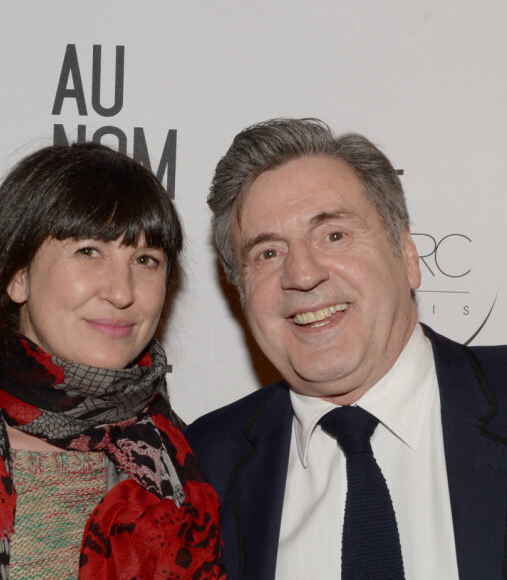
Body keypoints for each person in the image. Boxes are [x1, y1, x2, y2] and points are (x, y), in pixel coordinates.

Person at [185, 118, 507, 580]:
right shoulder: (203, 465)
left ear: (409, 256)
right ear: (240, 293)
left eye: (333, 235)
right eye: (267, 253)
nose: (302, 274)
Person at [0, 142, 225, 579]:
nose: (122, 292)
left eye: (145, 260)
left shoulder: (186, 465)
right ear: (17, 275)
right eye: (89, 251)